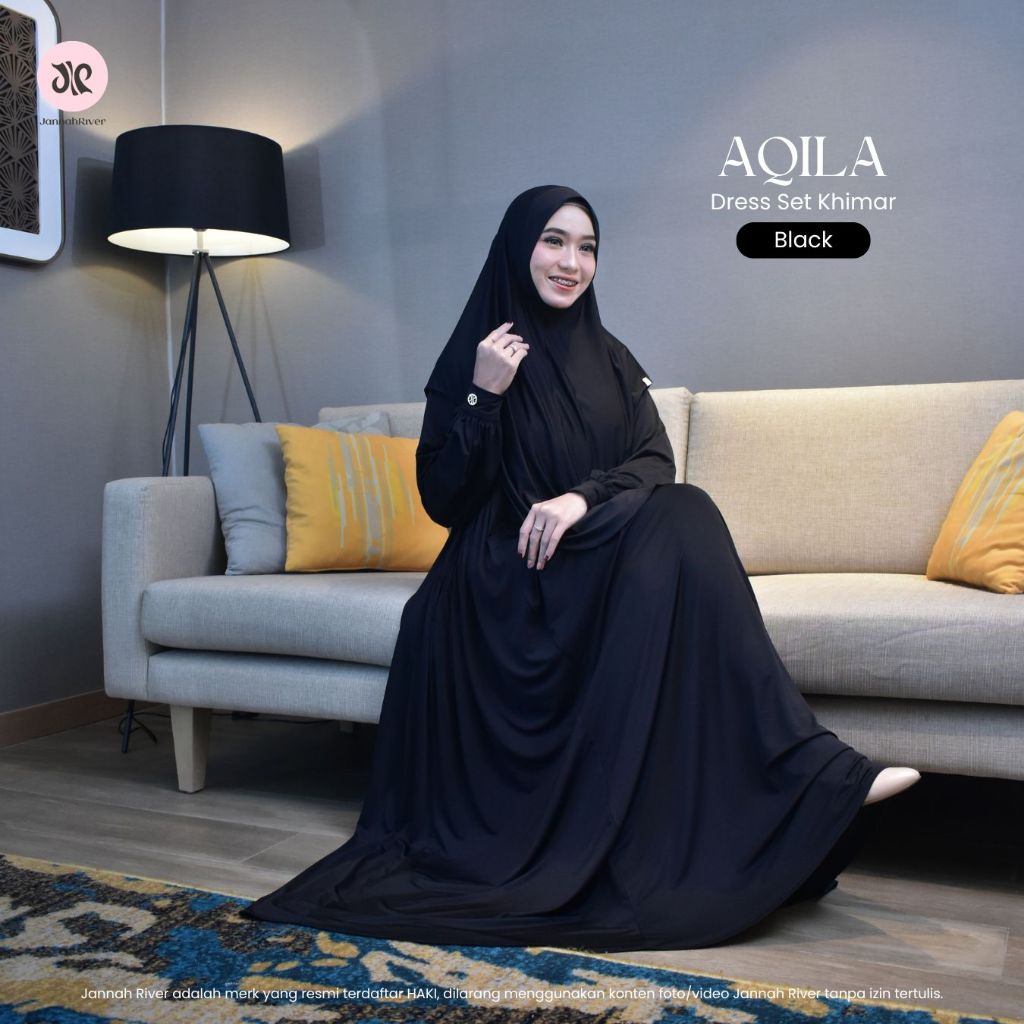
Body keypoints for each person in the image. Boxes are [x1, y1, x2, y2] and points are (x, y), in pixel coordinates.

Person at [240, 185, 921, 952]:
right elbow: (444, 499)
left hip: (588, 548)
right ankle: (814, 770)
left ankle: (810, 770)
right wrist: (484, 396)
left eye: (587, 247)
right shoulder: (477, 356)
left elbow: (655, 461)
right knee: (682, 518)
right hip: (504, 570)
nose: (572, 262)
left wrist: (578, 499)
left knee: (685, 510)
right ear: (518, 248)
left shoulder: (612, 357)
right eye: (554, 241)